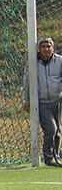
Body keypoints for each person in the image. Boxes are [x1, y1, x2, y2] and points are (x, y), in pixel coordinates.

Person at [24, 37, 62, 166]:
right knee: (51, 129)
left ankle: (56, 157)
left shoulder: (60, 61)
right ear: (39, 49)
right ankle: (49, 157)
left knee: (58, 131)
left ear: (53, 47)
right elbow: (27, 82)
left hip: (57, 101)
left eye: (48, 46)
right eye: (43, 47)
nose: (46, 49)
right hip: (42, 102)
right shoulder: (33, 63)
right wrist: (27, 100)